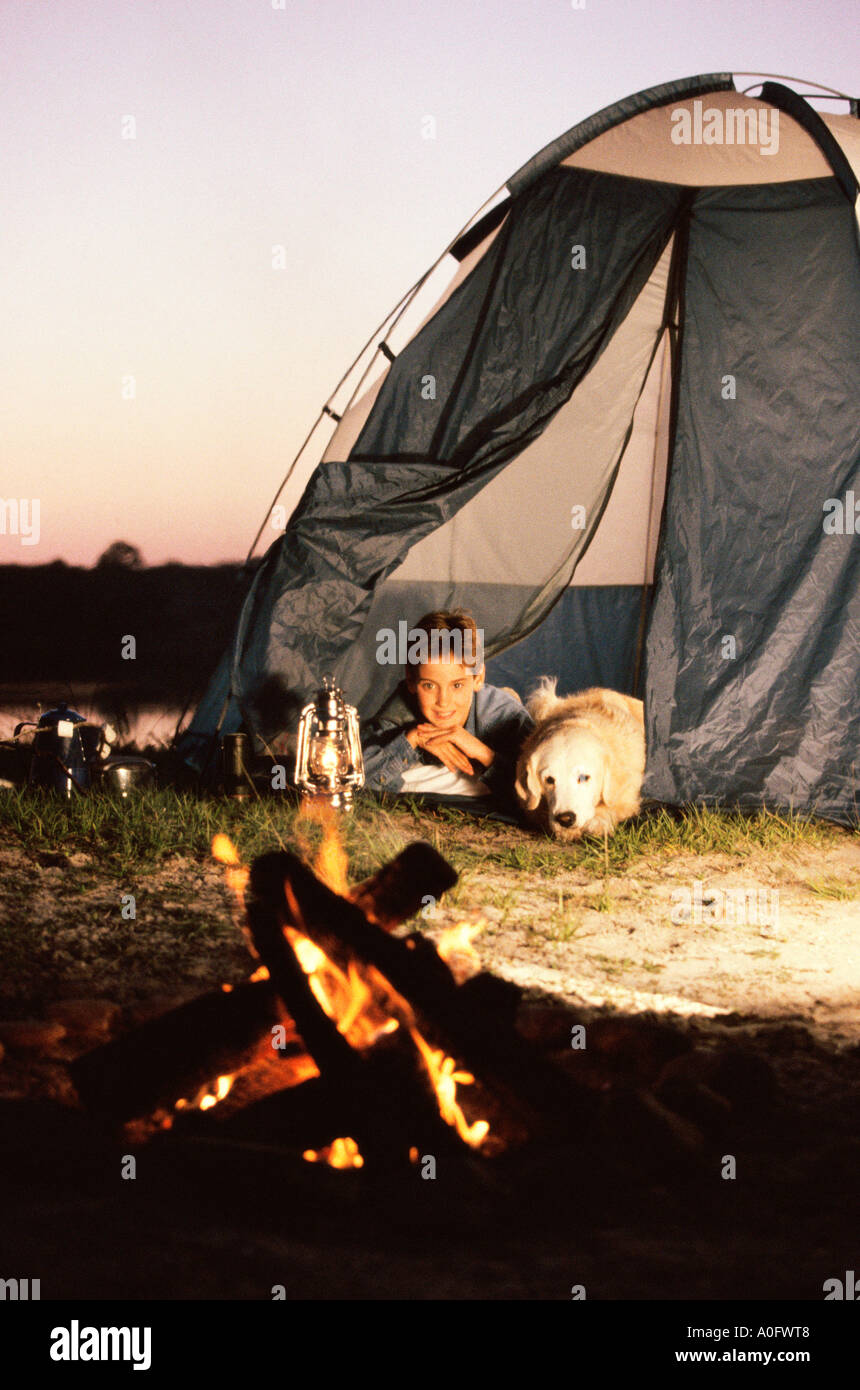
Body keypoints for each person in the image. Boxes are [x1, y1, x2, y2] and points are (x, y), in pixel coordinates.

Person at [361, 609, 534, 803]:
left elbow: (537, 794)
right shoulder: (398, 712)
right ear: (411, 680)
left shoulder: (504, 715)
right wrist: (413, 739)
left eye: (457, 685)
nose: (443, 702)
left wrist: (483, 753)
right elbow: (354, 779)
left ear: (478, 678)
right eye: (429, 685)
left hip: (495, 725)